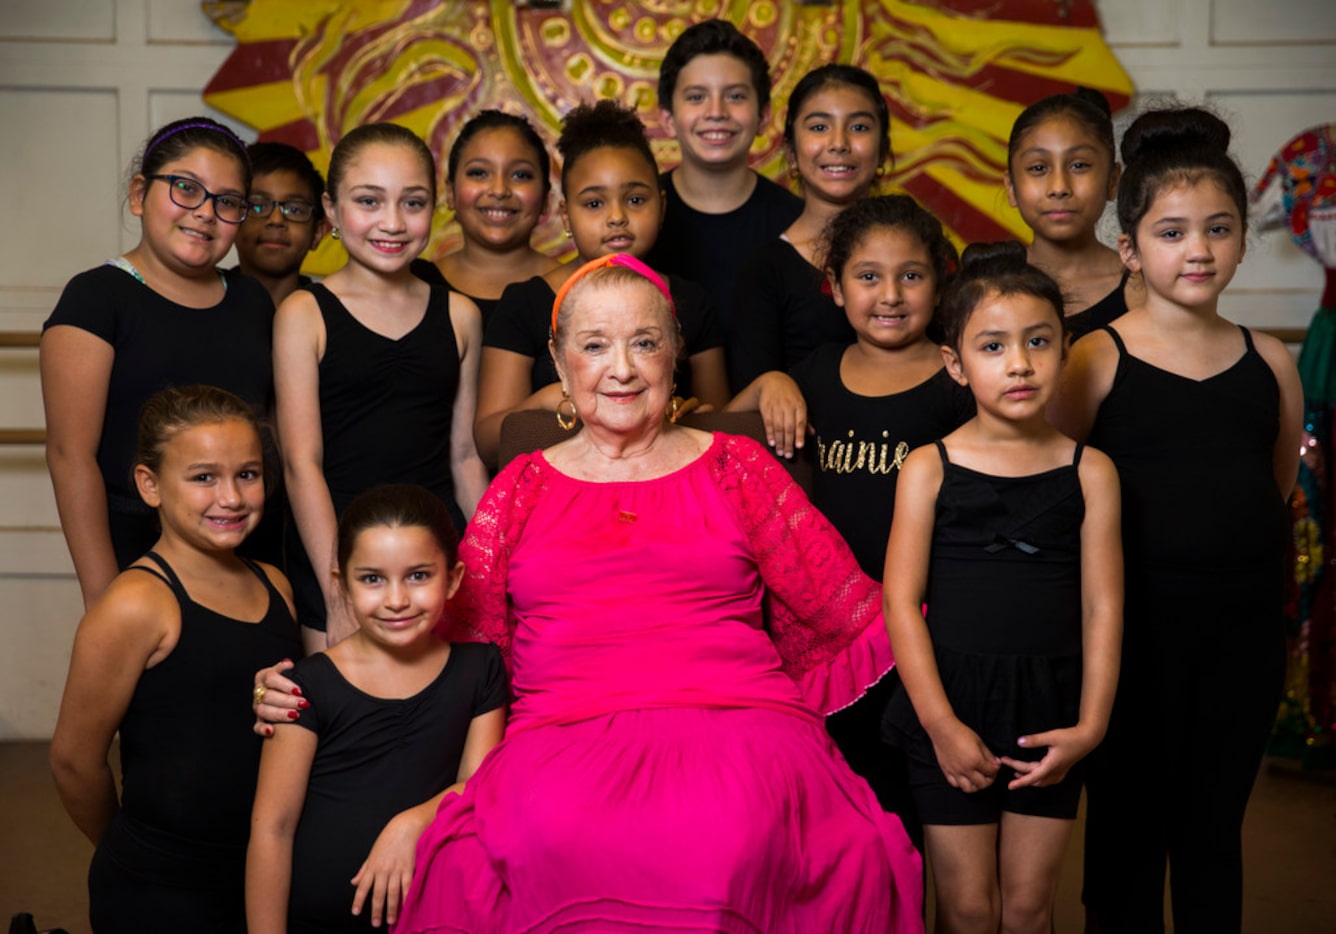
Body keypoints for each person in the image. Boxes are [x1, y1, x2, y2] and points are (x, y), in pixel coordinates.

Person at [258, 253, 923, 932]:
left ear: (675, 352)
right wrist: (308, 684)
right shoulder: (520, 487)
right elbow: (440, 633)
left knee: (734, 837)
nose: (623, 369)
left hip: (740, 721)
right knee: (536, 840)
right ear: (558, 357)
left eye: (645, 342)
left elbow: (843, 606)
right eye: (595, 345)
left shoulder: (738, 467)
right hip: (561, 733)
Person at [1050, 107, 1303, 934]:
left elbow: (1272, 493)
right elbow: (1055, 486)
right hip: (1131, 640)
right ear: (1129, 247)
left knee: (1211, 832)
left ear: (1240, 242)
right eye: (1172, 231)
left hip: (1241, 641)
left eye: (1219, 229)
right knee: (1127, 833)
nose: (1197, 249)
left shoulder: (1269, 362)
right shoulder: (1097, 357)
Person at [882, 242, 1123, 934]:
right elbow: (901, 602)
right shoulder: (928, 468)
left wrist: (1091, 726)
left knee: (1025, 908)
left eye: (1038, 342)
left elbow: (1103, 605)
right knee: (968, 907)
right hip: (948, 703)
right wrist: (941, 726)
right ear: (955, 364)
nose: (1019, 363)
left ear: (1065, 349)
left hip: (1051, 708)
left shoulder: (1091, 472)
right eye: (993, 346)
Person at [728, 195, 973, 840]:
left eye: (911, 276)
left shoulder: (961, 383)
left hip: (929, 640)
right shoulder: (810, 378)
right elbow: (723, 451)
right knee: (850, 822)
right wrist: (765, 383)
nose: (889, 294)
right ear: (834, 289)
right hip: (837, 643)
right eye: (868, 276)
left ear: (941, 282)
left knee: (926, 820)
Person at [49, 385, 301, 933]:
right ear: (151, 485)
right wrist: (132, 852)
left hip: (261, 868)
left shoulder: (275, 584)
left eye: (248, 474)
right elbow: (73, 762)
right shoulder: (136, 602)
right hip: (163, 885)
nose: (231, 497)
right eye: (203, 477)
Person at [247, 484, 507, 934]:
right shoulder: (303, 687)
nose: (396, 600)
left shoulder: (479, 670)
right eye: (372, 579)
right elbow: (273, 830)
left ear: (455, 578)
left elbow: (477, 786)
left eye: (418, 576)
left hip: (435, 916)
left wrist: (412, 823)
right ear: (341, 584)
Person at [41, 116, 278, 607]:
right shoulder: (97, 297)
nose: (205, 213)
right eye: (186, 189)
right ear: (139, 193)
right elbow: (70, 457)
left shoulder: (253, 301)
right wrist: (105, 594)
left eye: (228, 202)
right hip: (139, 551)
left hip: (247, 547)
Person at [274, 122, 488, 650]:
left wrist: (492, 566)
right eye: (369, 201)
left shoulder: (460, 315)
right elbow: (302, 463)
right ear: (330, 208)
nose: (392, 222)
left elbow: (462, 456)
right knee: (347, 717)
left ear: (435, 209)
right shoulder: (305, 314)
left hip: (434, 554)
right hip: (339, 550)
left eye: (412, 203)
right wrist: (338, 589)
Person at [473, 99, 729, 469]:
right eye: (594, 204)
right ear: (565, 214)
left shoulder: (689, 300)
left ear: (661, 206)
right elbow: (489, 441)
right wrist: (549, 400)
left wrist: (694, 418)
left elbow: (720, 429)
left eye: (636, 200)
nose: (616, 217)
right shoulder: (525, 304)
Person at [729, 64, 891, 391]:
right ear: (790, 151)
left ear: (884, 150)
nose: (838, 143)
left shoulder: (922, 252)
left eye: (859, 126)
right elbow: (750, 401)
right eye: (819, 127)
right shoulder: (765, 271)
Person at [646, 18, 803, 336]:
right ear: (667, 118)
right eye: (696, 97)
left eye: (735, 96)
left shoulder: (796, 222)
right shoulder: (637, 218)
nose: (716, 111)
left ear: (763, 117)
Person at [1005, 88, 1142, 340]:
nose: (1059, 187)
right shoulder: (985, 287)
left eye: (1079, 165)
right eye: (1038, 168)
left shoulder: (1145, 289)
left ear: (1113, 181)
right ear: (1011, 187)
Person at [411, 110, 560, 318]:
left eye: (520, 175)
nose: (499, 190)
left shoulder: (575, 291)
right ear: (451, 193)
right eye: (479, 173)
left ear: (546, 198)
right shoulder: (412, 285)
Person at [233, 141, 329, 309]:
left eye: (295, 210)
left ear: (318, 232)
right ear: (233, 219)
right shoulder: (201, 304)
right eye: (259, 206)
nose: (276, 220)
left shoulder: (332, 319)